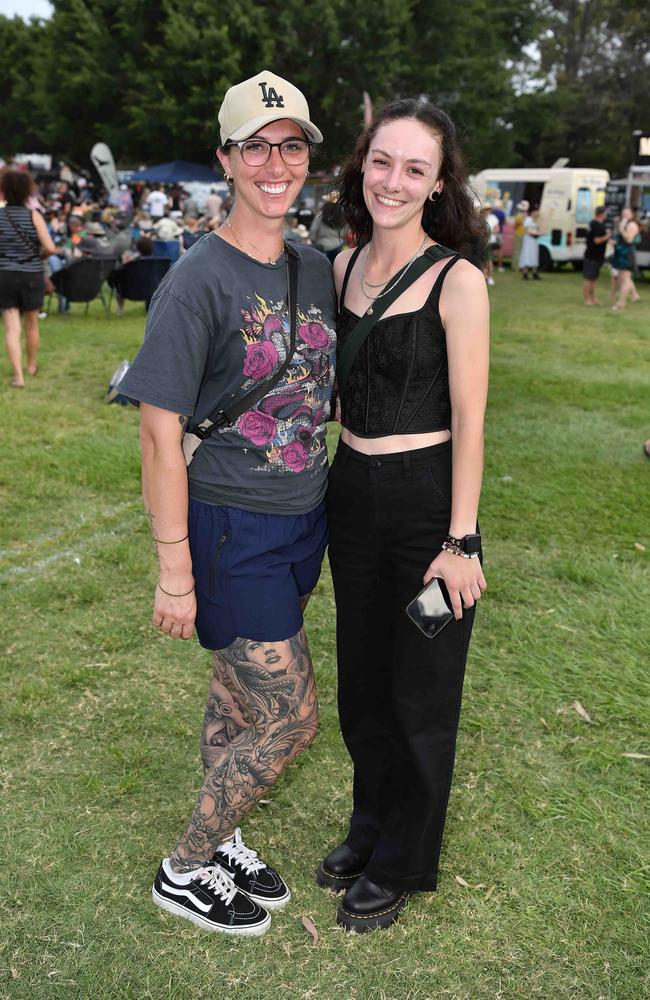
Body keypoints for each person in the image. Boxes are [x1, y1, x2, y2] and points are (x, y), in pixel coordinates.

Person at [117, 70, 335, 936]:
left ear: (306, 158)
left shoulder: (311, 267)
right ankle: (187, 865)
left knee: (235, 699)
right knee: (293, 717)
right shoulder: (196, 279)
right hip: (229, 525)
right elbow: (156, 433)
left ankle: (226, 834)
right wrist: (175, 570)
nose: (275, 163)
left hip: (301, 517)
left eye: (291, 146)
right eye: (257, 147)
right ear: (226, 160)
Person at [318, 97, 489, 933]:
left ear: (437, 183)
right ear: (362, 165)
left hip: (427, 504)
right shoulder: (341, 268)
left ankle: (404, 860)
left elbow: (472, 420)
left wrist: (460, 539)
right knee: (363, 682)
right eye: (382, 161)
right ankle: (369, 824)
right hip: (348, 494)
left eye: (414, 168)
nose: (393, 180)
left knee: (420, 692)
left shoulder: (459, 281)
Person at [0, 167, 58, 386]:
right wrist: (38, 255)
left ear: (3, 190)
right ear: (27, 192)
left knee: (11, 326)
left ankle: (18, 375)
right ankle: (31, 365)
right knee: (32, 324)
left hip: (4, 275)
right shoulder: (34, 216)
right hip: (32, 275)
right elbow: (50, 248)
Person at [610, 208, 640, 311]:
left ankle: (621, 303)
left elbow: (629, 239)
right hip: (620, 254)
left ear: (632, 215)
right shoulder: (623, 224)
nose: (625, 215)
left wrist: (622, 229)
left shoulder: (632, 225)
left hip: (627, 255)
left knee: (626, 279)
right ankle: (627, 298)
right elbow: (620, 239)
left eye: (627, 213)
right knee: (621, 279)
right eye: (623, 213)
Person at [582, 205, 609, 305]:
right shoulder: (596, 224)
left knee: (594, 278)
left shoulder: (596, 224)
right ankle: (587, 299)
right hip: (592, 255)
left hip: (597, 256)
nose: (607, 215)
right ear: (602, 214)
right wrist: (607, 237)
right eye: (606, 213)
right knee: (589, 278)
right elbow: (597, 240)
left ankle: (593, 298)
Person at [518, 206, 542, 279]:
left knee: (534, 255)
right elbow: (528, 231)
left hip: (534, 241)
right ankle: (525, 273)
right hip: (528, 241)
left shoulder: (535, 220)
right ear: (532, 212)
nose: (538, 213)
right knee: (527, 255)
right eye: (536, 211)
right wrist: (539, 233)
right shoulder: (528, 220)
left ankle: (535, 272)